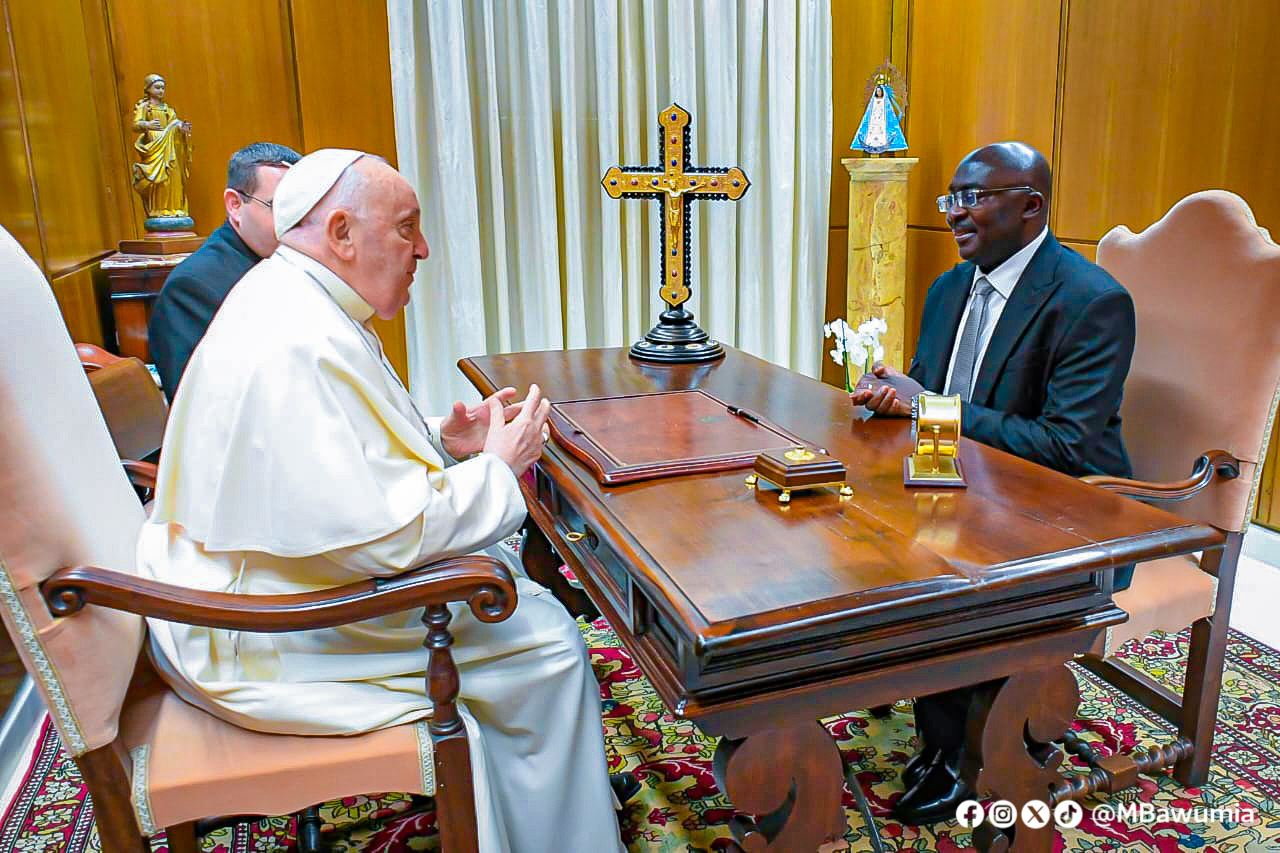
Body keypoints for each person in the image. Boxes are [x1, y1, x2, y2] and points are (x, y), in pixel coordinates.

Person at [137, 149, 625, 853]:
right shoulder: (296, 337)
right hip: (260, 632)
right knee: (544, 638)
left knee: (515, 593)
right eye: (406, 228)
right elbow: (380, 536)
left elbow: (323, 461)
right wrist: (496, 469)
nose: (422, 248)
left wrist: (441, 437)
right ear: (340, 232)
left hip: (257, 584)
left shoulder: (294, 296)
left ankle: (533, 810)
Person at [850, 141, 1137, 826]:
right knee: (858, 532)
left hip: (1065, 512)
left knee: (944, 569)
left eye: (973, 197)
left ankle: (963, 752)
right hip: (963, 485)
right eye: (953, 198)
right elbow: (935, 405)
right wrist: (894, 398)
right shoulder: (949, 288)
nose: (954, 214)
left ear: (1030, 206)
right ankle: (936, 722)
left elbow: (1065, 446)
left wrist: (931, 407)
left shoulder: (1092, 301)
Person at [148, 142, 301, 398]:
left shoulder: (295, 261)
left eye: (302, 209)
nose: (296, 222)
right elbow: (203, 404)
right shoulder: (191, 288)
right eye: (280, 207)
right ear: (235, 205)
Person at [130, 74, 193, 226]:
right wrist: (148, 125)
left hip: (169, 148)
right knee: (159, 180)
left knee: (172, 176)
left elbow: (175, 124)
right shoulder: (144, 107)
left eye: (162, 88)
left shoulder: (168, 110)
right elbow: (135, 125)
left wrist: (182, 128)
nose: (160, 91)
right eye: (157, 87)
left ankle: (174, 209)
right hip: (155, 147)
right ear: (148, 89)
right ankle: (159, 209)